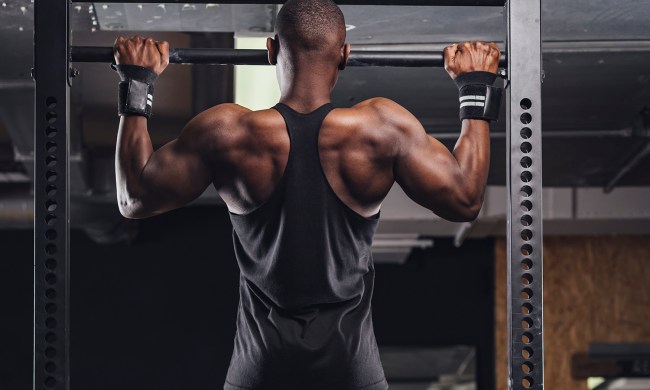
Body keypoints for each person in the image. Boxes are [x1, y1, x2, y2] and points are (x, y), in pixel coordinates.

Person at [112, 0, 501, 388]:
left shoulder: (227, 133)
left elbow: (134, 199)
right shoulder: (382, 129)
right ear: (344, 55)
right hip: (352, 372)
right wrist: (474, 86)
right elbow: (465, 199)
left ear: (271, 51)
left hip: (259, 371)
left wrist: (137, 81)